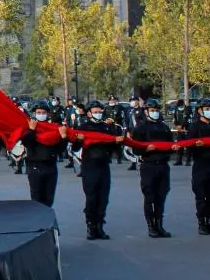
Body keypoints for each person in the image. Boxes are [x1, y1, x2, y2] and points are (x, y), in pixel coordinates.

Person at [72, 100, 124, 240]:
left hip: (104, 165)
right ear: (89, 113)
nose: (98, 114)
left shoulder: (106, 127)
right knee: (91, 197)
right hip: (89, 165)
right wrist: (78, 140)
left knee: (103, 197)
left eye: (100, 112)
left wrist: (118, 142)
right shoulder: (83, 127)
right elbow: (74, 148)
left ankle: (100, 225)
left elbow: (113, 147)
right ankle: (90, 226)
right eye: (95, 112)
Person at [128, 98, 173, 238]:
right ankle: (150, 226)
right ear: (146, 111)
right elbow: (135, 149)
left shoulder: (164, 127)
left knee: (161, 197)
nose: (155, 113)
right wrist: (146, 149)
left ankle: (159, 225)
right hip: (148, 165)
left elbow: (170, 145)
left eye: (156, 110)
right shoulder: (140, 128)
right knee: (150, 197)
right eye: (152, 111)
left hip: (163, 165)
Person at [184, 98, 210, 235]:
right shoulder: (195, 127)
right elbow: (188, 146)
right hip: (201, 165)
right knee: (201, 196)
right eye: (206, 109)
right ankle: (202, 223)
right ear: (200, 111)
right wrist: (195, 146)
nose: (209, 112)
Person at [22, 102, 67, 207]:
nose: (41, 114)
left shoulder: (53, 128)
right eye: (38, 112)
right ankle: (37, 221)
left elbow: (60, 149)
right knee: (36, 197)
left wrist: (63, 137)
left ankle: (47, 221)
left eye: (43, 112)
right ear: (34, 113)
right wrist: (31, 130)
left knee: (49, 198)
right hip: (35, 166)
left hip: (50, 165)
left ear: (47, 114)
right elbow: (27, 143)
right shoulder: (29, 127)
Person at [171, 99, 190, 166]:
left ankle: (188, 161)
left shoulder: (187, 109)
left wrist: (182, 126)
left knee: (188, 146)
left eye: (181, 106)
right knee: (179, 146)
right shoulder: (176, 109)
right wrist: (177, 126)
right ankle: (179, 161)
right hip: (179, 130)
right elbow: (174, 118)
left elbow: (188, 119)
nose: (180, 107)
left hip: (186, 130)